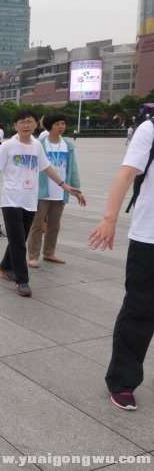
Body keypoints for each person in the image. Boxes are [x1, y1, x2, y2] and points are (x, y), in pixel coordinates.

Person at [0, 110, 84, 297]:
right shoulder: (8, 146)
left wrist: (65, 186)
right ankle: (22, 280)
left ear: (36, 124)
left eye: (29, 121)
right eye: (21, 122)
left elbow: (47, 168)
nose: (26, 125)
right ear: (15, 126)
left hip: (30, 200)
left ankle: (4, 267)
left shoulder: (37, 146)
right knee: (19, 242)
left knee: (19, 239)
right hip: (11, 200)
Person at [88, 114, 154, 412]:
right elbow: (126, 174)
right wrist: (109, 219)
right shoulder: (150, 128)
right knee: (140, 310)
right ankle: (123, 380)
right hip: (150, 236)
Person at [27, 114, 83, 268]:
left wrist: (77, 189)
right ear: (50, 126)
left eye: (63, 124)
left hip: (60, 192)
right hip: (42, 192)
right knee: (37, 225)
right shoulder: (40, 144)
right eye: (58, 124)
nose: (61, 127)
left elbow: (73, 169)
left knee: (54, 225)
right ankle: (33, 255)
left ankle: (49, 253)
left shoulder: (68, 145)